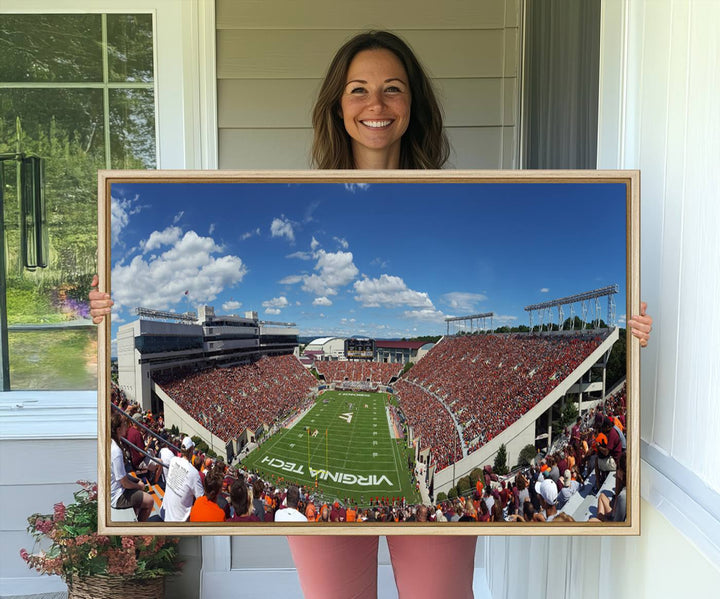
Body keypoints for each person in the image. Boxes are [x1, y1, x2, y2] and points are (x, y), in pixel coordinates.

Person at [90, 29, 654, 599]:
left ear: (413, 105)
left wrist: (626, 334)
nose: (375, 104)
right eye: (358, 89)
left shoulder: (453, 199)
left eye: (393, 89)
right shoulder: (301, 193)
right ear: (338, 104)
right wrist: (106, 309)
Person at [109, 412, 155, 522]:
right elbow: (124, 482)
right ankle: (139, 531)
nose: (127, 426)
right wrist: (138, 486)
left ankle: (135, 520)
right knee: (150, 501)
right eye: (124, 424)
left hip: (115, 488)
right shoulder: (116, 451)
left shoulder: (112, 443)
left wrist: (137, 482)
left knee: (140, 483)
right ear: (118, 429)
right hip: (117, 495)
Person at [161, 436, 204, 522]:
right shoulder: (194, 473)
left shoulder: (173, 460)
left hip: (164, 514)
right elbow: (201, 500)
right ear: (191, 450)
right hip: (179, 521)